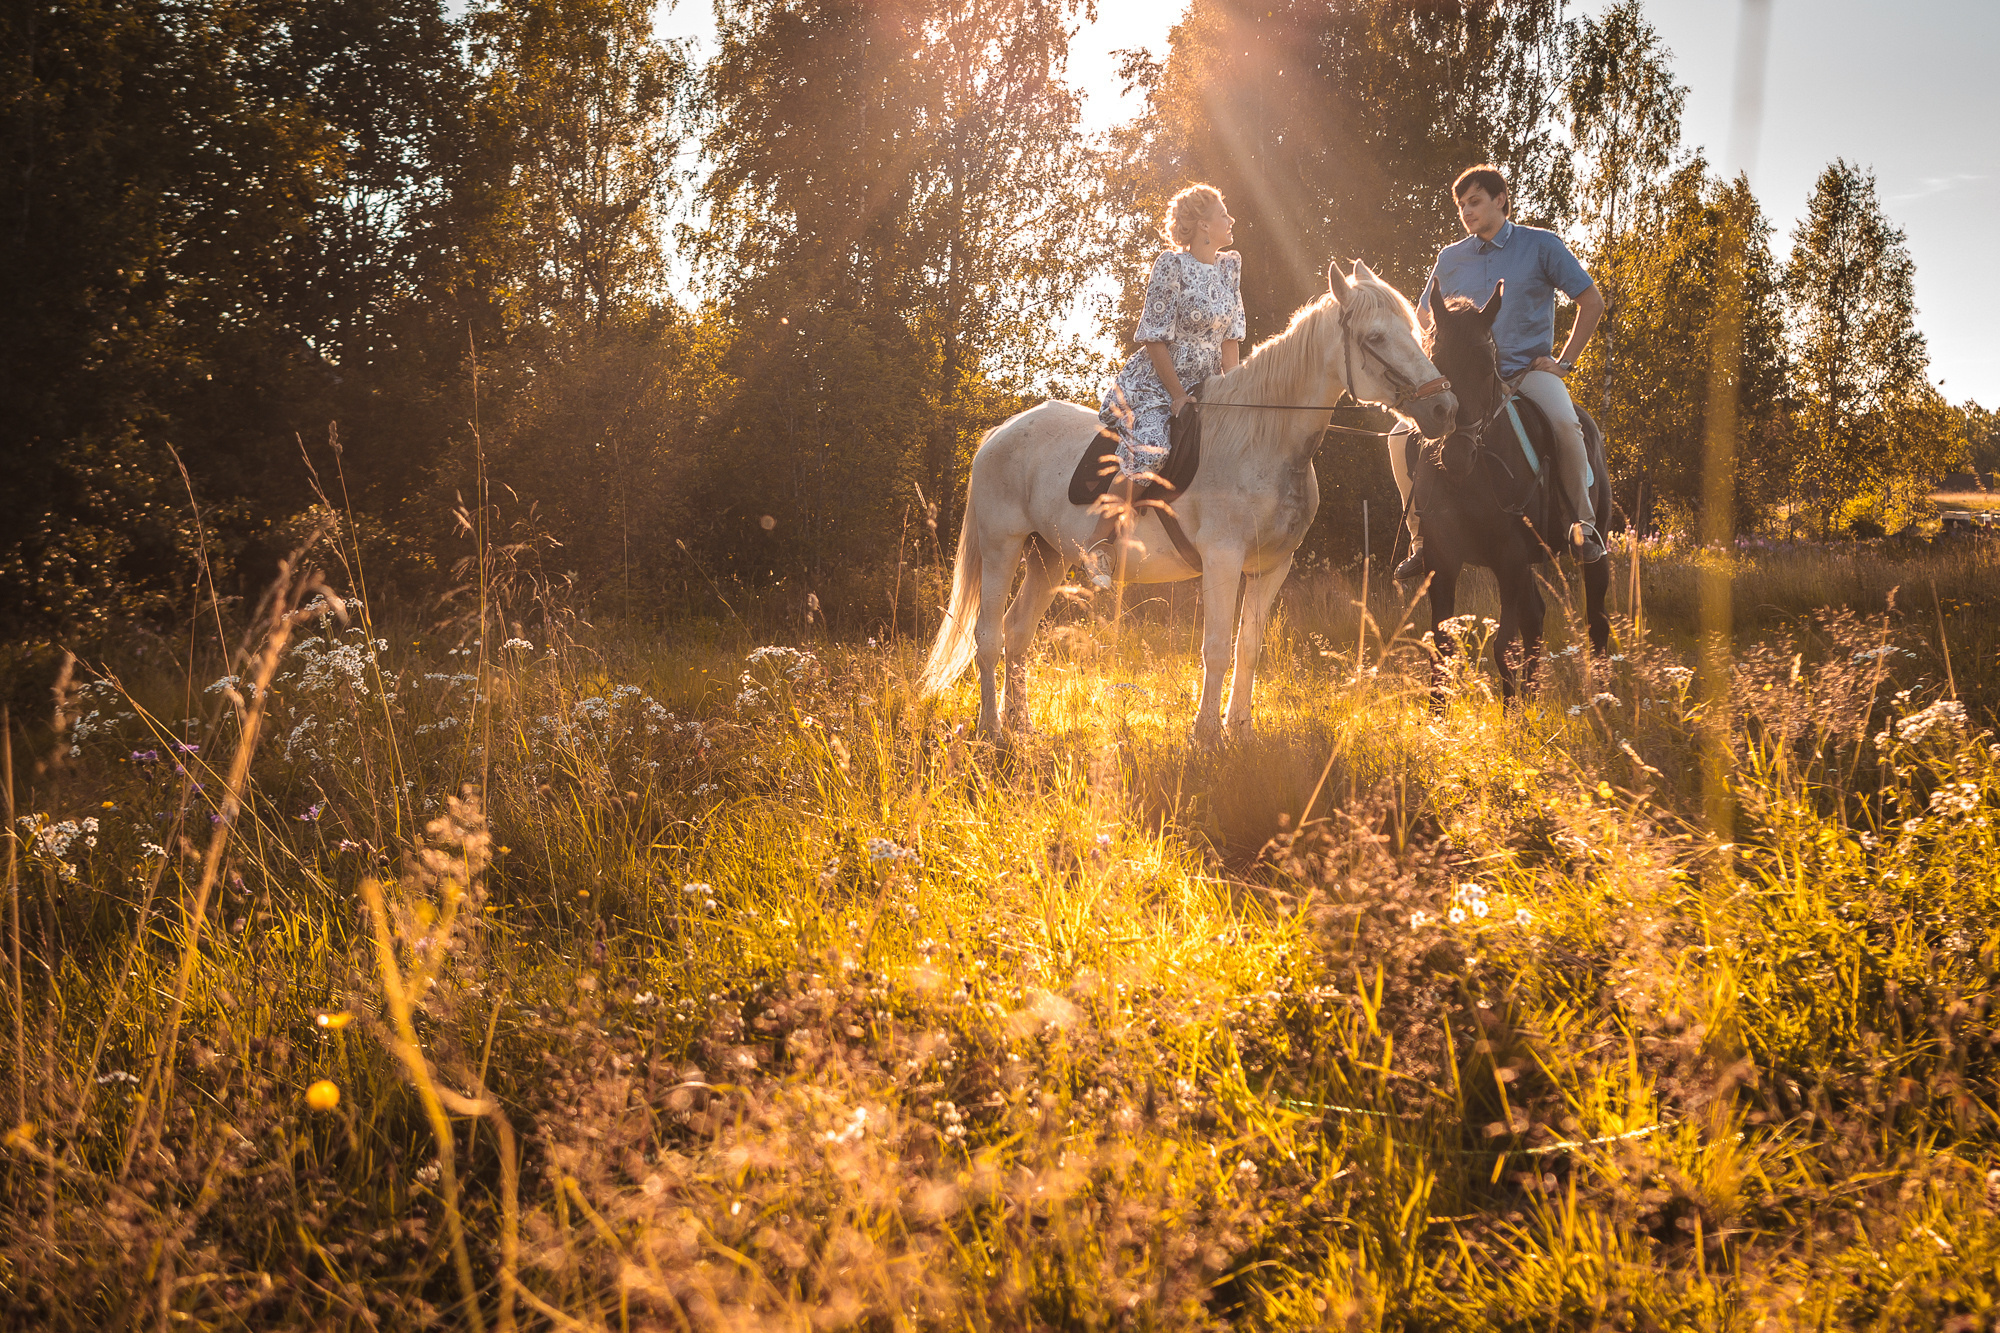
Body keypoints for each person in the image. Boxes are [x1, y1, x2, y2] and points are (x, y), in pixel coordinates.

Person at [1395, 163, 1607, 582]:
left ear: (1501, 200)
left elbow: (1592, 301)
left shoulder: (1541, 245)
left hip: (1526, 373)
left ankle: (1583, 527)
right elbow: (1423, 316)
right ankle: (1420, 543)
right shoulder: (1450, 258)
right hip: (1465, 382)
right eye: (1461, 206)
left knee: (1566, 424)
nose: (1466, 212)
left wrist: (1563, 362)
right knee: (1398, 437)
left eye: (1474, 201)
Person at [1088, 184, 1245, 587]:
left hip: (1210, 383)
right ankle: (1096, 547)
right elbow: (1154, 338)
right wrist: (1177, 396)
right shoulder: (1170, 266)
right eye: (1223, 214)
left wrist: (1235, 393)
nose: (1231, 221)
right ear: (1203, 225)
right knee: (1153, 449)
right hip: (1159, 383)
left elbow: (1231, 341)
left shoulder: (1230, 267)